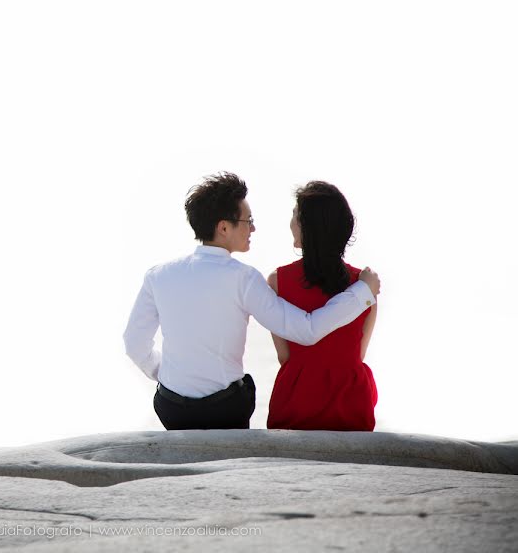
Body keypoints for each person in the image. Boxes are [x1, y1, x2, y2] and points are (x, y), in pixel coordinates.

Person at [123, 172, 380, 430]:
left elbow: (133, 343)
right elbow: (307, 331)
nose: (253, 228)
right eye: (248, 221)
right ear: (224, 228)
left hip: (171, 408)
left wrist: (169, 377)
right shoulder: (244, 278)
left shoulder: (158, 275)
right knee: (243, 387)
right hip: (224, 409)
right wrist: (361, 294)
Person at [266, 181, 378, 431]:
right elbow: (357, 355)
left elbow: (285, 356)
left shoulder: (277, 281)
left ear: (308, 228)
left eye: (295, 216)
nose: (291, 223)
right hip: (351, 405)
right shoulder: (365, 285)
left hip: (295, 402)